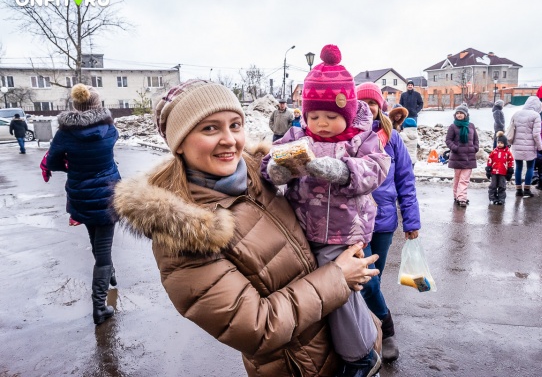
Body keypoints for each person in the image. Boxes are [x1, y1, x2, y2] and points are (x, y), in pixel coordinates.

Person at [113, 79, 381, 377]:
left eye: (236, 125)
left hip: (345, 346)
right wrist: (338, 277)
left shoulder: (263, 177)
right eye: (210, 128)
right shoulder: (185, 231)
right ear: (180, 142)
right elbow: (258, 327)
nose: (229, 140)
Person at [262, 45, 390, 376]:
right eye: (314, 116)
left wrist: (341, 170)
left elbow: (377, 169)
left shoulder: (361, 138)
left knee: (334, 283)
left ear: (346, 113)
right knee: (313, 289)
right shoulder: (296, 134)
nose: (321, 124)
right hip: (301, 227)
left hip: (345, 232)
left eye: (331, 117)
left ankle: (360, 356)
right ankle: (329, 350)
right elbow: (270, 159)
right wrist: (279, 169)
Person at [46, 84, 121, 325]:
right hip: (108, 193)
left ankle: (109, 275)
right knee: (103, 253)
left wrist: (72, 164)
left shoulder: (64, 133)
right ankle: (99, 308)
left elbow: (55, 161)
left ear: (76, 106)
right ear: (97, 105)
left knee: (96, 241)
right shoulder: (109, 130)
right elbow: (111, 143)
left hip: (80, 193)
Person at [356, 82, 421, 362]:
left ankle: (366, 325)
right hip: (353, 221)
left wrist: (411, 220)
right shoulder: (348, 135)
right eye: (362, 103)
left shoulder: (392, 138)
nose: (367, 108)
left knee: (374, 280)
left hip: (383, 221)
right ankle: (387, 327)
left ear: (380, 105)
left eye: (372, 103)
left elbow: (405, 180)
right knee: (366, 281)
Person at [506, 96, 542, 198]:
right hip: (530, 146)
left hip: (517, 146)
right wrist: (540, 147)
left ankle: (518, 190)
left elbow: (511, 129)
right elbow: (536, 134)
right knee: (530, 167)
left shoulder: (516, 114)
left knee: (518, 167)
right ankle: (527, 189)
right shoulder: (536, 115)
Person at [445, 104, 479, 207]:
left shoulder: (471, 126)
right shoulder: (453, 126)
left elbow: (476, 139)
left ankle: (462, 198)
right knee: (457, 178)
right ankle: (457, 196)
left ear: (466, 115)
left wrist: (475, 148)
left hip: (469, 157)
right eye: (457, 113)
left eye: (461, 113)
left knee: (464, 180)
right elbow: (448, 140)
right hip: (457, 157)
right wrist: (455, 148)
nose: (459, 115)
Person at [486, 132, 514, 205]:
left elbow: (510, 161)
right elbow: (490, 160)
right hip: (494, 172)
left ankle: (501, 199)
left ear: (505, 143)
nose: (499, 144)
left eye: (501, 143)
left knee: (502, 186)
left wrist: (510, 170)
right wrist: (488, 168)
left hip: (503, 172)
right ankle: (493, 198)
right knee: (493, 185)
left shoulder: (508, 153)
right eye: (498, 142)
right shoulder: (494, 152)